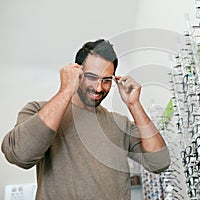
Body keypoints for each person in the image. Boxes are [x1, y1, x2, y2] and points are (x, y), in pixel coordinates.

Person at [1, 39, 171, 199]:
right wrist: (66, 90)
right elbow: (19, 156)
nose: (99, 88)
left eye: (106, 80)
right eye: (92, 77)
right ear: (76, 73)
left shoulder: (120, 124)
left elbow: (159, 162)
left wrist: (134, 105)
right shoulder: (37, 110)